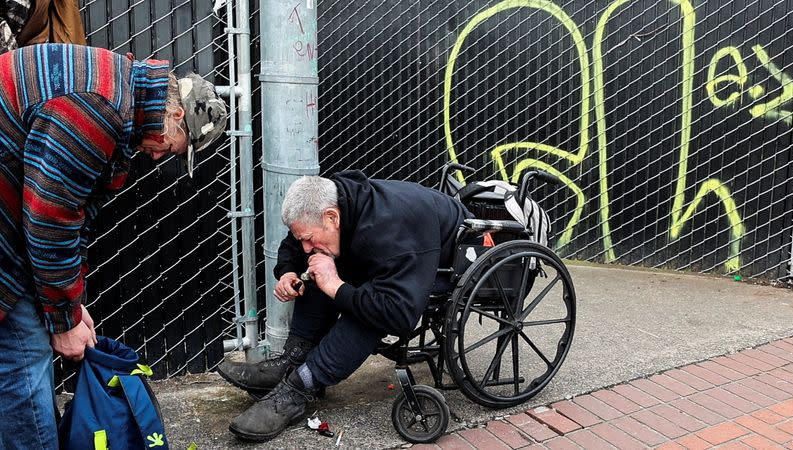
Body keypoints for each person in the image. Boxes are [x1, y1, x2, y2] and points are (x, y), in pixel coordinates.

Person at [0, 43, 226, 449]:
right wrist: (63, 321)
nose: (161, 158)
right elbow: (50, 220)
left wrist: (71, 305)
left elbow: (76, 212)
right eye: (174, 149)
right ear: (175, 117)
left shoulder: (124, 102)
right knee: (24, 351)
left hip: (12, 213)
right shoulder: (98, 108)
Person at [218, 170, 470, 441]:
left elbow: (397, 315)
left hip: (446, 264)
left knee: (367, 310)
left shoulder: (393, 231)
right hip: (390, 256)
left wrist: (336, 287)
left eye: (308, 237)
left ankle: (297, 389)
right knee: (317, 262)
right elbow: (296, 241)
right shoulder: (329, 204)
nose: (304, 246)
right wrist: (288, 271)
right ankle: (292, 361)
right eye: (302, 238)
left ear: (332, 217)